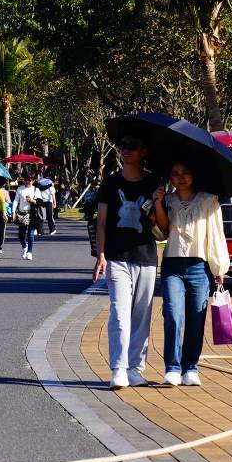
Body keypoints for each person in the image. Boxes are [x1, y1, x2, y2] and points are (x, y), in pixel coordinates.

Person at [93, 133, 163, 388]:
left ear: (143, 151)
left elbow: (162, 225)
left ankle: (136, 368)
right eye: (122, 146)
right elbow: (101, 222)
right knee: (120, 314)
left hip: (146, 256)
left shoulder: (155, 182)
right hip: (117, 257)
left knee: (142, 315)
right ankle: (119, 369)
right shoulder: (110, 184)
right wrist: (101, 254)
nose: (125, 150)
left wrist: (159, 201)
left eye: (131, 146)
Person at [151, 161, 229, 386]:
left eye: (185, 172)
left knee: (196, 318)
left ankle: (191, 368)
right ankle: (173, 368)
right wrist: (158, 203)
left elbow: (215, 235)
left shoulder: (208, 200)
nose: (181, 177)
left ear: (194, 175)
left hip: (199, 267)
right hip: (172, 265)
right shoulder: (169, 200)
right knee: (173, 315)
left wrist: (219, 267)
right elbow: (162, 232)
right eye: (175, 174)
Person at [13, 174, 43, 260]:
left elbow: (41, 203)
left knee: (30, 234)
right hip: (21, 213)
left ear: (33, 181)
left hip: (32, 214)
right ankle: (24, 246)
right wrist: (13, 212)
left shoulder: (35, 190)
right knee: (21, 235)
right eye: (26, 180)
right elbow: (15, 201)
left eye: (30, 180)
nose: (28, 182)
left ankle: (30, 252)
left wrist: (32, 200)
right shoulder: (20, 189)